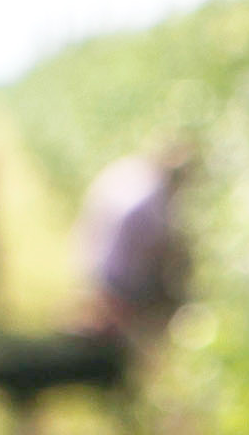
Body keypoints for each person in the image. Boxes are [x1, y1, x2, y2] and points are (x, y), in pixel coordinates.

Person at [72, 142, 195, 352]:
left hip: (87, 256)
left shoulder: (129, 171)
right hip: (118, 277)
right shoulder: (152, 198)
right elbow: (160, 247)